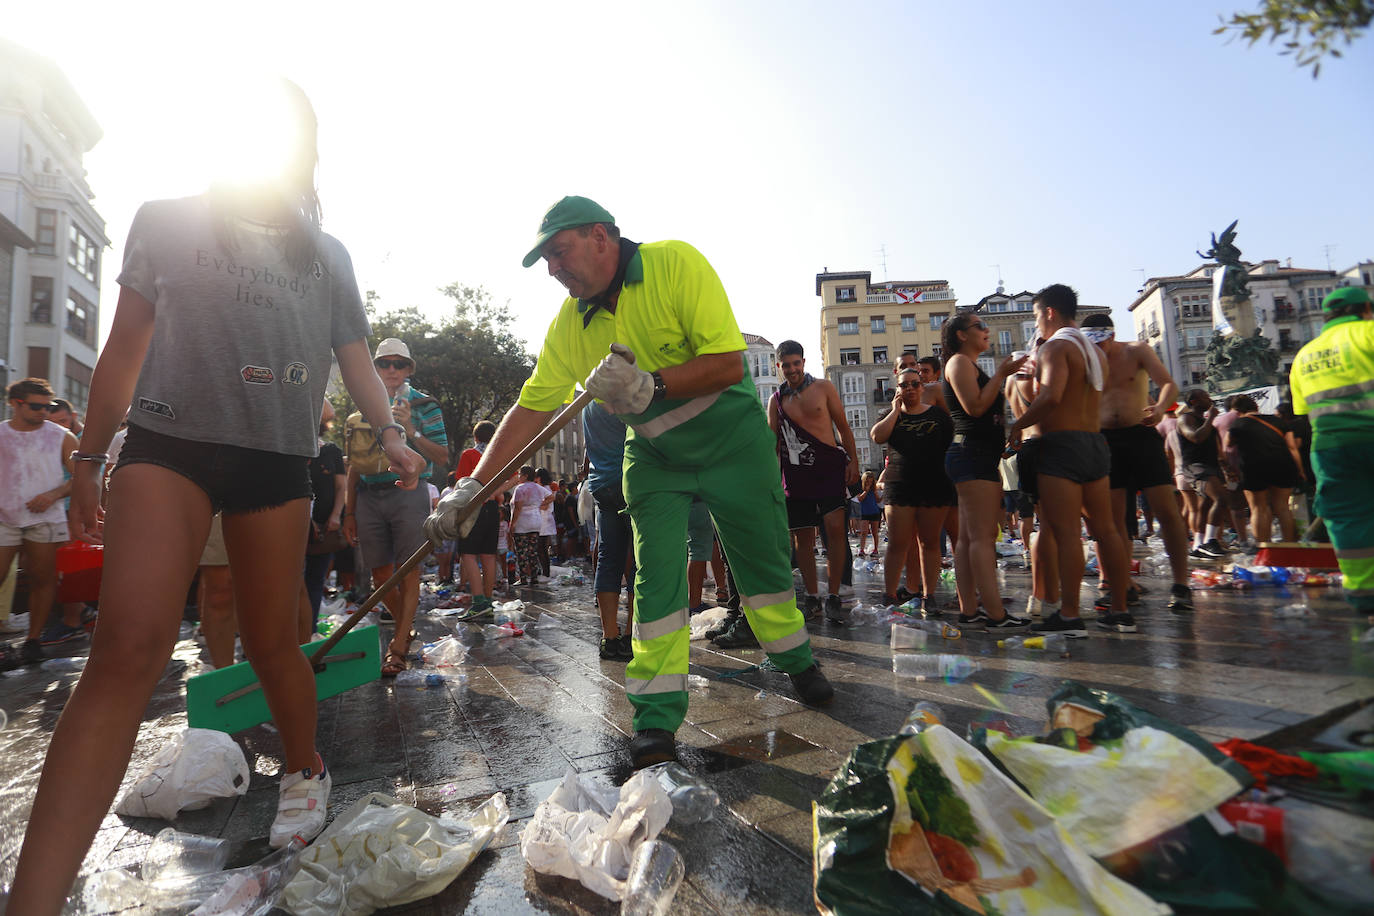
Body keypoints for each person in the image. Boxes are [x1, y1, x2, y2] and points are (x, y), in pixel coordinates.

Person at [8, 79, 424, 914]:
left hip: (274, 461)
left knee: (278, 639)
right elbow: (125, 346)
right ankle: (33, 901)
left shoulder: (328, 255)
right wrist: (89, 455)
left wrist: (391, 433)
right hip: (167, 447)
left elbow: (352, 357)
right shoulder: (164, 219)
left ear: (305, 153)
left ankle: (305, 766)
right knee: (126, 649)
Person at [426, 196, 832, 767]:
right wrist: (474, 486)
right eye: (545, 259)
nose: (553, 269)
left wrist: (650, 384)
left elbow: (727, 363)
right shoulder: (571, 325)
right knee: (657, 583)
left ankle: (796, 660)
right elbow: (532, 408)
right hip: (658, 457)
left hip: (734, 448)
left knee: (762, 567)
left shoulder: (675, 264)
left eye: (559, 252)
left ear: (600, 237)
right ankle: (655, 717)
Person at [1007, 284, 1135, 635]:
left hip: (1061, 446)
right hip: (1095, 443)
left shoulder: (1056, 348)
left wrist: (1017, 425)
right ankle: (1121, 611)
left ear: (1049, 312)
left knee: (1066, 534)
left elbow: (1051, 396)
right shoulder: (1093, 352)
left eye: (1036, 316)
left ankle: (1069, 615)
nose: (1037, 325)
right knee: (1107, 530)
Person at [342, 337, 448, 677]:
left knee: (409, 570)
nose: (391, 369)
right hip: (370, 495)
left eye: (398, 364)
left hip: (408, 492)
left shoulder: (425, 404)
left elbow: (443, 457)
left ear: (408, 369)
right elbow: (355, 464)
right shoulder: (364, 402)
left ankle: (398, 645)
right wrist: (348, 510)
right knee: (380, 574)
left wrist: (412, 431)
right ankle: (407, 626)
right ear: (374, 368)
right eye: (384, 363)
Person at [1079, 314, 1194, 612]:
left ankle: (1181, 584)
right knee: (1115, 521)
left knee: (1167, 511)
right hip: (1106, 441)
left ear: (1111, 336)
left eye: (1101, 343)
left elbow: (1168, 384)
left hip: (1141, 435)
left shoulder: (1137, 350)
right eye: (1092, 346)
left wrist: (1158, 408)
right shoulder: (1087, 360)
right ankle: (1122, 584)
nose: (1098, 350)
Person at [941, 314, 1030, 630]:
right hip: (972, 455)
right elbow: (975, 407)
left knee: (967, 539)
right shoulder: (959, 364)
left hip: (974, 454)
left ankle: (970, 609)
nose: (986, 330)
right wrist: (1002, 375)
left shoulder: (967, 365)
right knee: (981, 538)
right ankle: (995, 613)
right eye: (980, 326)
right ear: (962, 335)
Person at [1290, 286, 1374, 614]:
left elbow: (1302, 413)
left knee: (1350, 523)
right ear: (1365, 307)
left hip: (1330, 449)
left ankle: (1366, 603)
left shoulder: (1304, 356)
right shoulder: (1368, 333)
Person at [769, 340, 860, 623]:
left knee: (835, 530)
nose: (793, 369)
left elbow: (844, 427)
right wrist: (773, 479)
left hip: (829, 467)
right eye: (787, 365)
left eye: (797, 363)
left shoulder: (824, 388)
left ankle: (833, 595)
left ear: (804, 363)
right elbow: (773, 443)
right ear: (779, 367)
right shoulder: (776, 400)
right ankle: (811, 597)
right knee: (803, 538)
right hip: (795, 475)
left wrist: (854, 462)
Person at [0, 378, 80, 664]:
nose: (44, 412)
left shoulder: (61, 436)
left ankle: (33, 641)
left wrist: (53, 494)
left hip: (45, 518)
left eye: (47, 406)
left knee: (43, 579)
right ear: (15, 404)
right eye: (37, 406)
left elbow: (82, 475)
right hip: (4, 517)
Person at [871, 367, 956, 611]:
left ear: (922, 387)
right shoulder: (890, 414)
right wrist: (896, 410)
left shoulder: (938, 416)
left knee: (929, 542)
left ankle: (929, 596)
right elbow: (877, 436)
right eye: (904, 385)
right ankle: (889, 596)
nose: (909, 388)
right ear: (896, 389)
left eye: (914, 384)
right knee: (898, 542)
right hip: (900, 486)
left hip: (934, 484)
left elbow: (952, 442)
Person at [581, 400, 636, 660]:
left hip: (602, 485)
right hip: (631, 480)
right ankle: (632, 634)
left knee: (607, 559)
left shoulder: (587, 404)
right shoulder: (624, 390)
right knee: (639, 560)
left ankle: (608, 637)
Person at [1225, 394, 1304, 542]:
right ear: (1256, 406)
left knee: (1258, 508)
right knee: (1283, 507)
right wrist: (1300, 470)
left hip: (1253, 467)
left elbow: (1227, 445)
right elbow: (1292, 447)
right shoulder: (1278, 421)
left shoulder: (1238, 424)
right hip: (1282, 464)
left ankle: (1264, 549)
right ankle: (1291, 546)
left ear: (1237, 411)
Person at [453, 420, 506, 615]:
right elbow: (515, 477)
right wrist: (493, 493)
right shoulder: (498, 457)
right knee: (488, 555)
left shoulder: (469, 454)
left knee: (468, 555)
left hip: (472, 509)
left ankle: (478, 603)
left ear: (475, 437)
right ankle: (489, 600)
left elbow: (461, 483)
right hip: (492, 509)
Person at [303, 400, 346, 627]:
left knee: (315, 579)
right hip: (298, 524)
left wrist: (336, 515)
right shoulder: (292, 447)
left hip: (326, 527)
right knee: (295, 581)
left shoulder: (331, 451)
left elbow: (341, 487)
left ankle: (308, 631)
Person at [1177, 389, 1229, 559]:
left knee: (1205, 505)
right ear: (1193, 401)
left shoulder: (1205, 421)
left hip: (1211, 465)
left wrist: (1227, 467)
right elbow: (1196, 437)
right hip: (1196, 466)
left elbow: (1216, 447)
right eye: (1205, 397)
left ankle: (1198, 544)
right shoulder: (1185, 419)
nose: (1210, 399)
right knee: (1221, 499)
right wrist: (1212, 418)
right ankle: (1210, 540)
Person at [855, 471, 881, 556]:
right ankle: (862, 550)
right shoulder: (860, 488)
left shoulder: (874, 489)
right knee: (864, 532)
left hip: (874, 512)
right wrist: (866, 491)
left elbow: (877, 500)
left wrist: (882, 496)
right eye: (867, 481)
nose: (869, 483)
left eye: (871, 481)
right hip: (865, 513)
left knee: (874, 532)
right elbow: (860, 499)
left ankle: (876, 549)